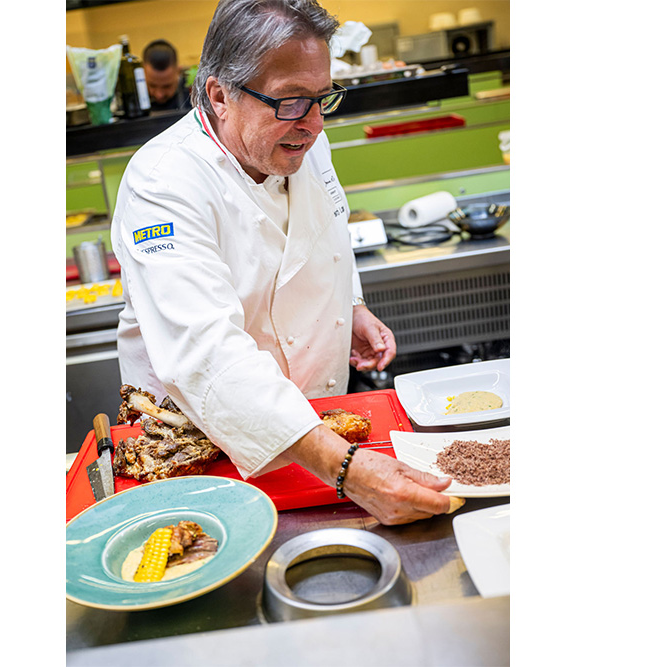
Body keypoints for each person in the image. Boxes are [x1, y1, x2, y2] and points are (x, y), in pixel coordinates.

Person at [111, 0, 453, 525]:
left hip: (314, 429)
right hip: (199, 444)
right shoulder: (163, 184)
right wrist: (346, 469)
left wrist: (351, 305)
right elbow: (206, 351)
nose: (314, 124)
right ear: (220, 95)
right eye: (291, 101)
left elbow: (325, 227)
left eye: (323, 98)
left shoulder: (301, 138)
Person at [141, 39, 191, 111]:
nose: (159, 95)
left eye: (167, 86)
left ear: (178, 71)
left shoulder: (193, 92)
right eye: (152, 86)